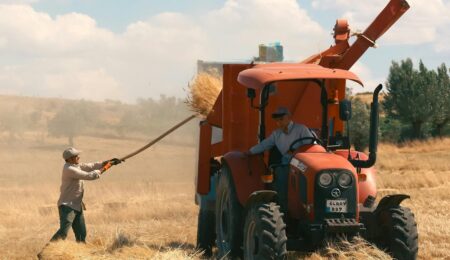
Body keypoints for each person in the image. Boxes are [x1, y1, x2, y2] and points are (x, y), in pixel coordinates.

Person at [50, 147, 122, 243]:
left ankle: (81, 252)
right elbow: (90, 176)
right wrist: (107, 167)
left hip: (76, 205)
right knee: (63, 232)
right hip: (67, 206)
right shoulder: (69, 169)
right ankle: (46, 253)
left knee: (81, 234)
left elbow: (90, 166)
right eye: (76, 156)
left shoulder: (76, 166)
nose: (78, 157)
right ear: (69, 159)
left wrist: (107, 162)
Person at [247, 106, 314, 163]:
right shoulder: (276, 134)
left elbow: (309, 147)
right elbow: (264, 145)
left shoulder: (301, 129)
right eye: (277, 120)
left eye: (281, 119)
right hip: (285, 163)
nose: (279, 123)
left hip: (301, 162)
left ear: (289, 117)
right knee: (281, 171)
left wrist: (294, 152)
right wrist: (250, 152)